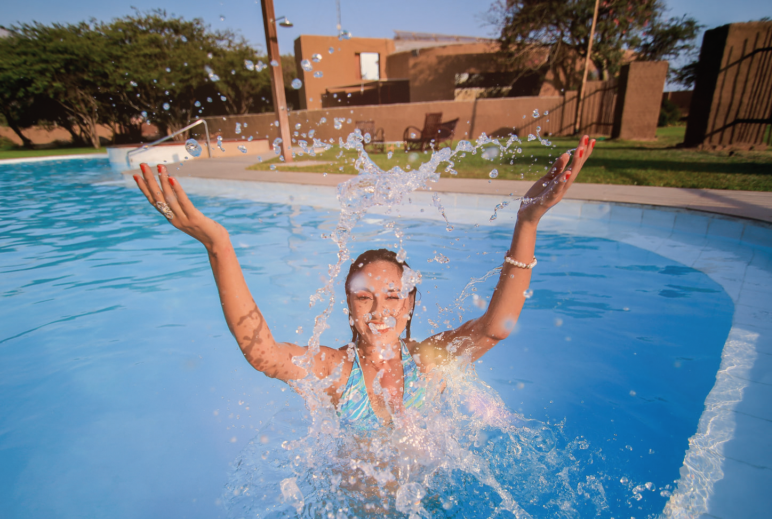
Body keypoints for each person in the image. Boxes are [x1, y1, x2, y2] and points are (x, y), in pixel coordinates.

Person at [133, 135, 596, 429]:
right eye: (364, 297)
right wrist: (219, 246)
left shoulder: (430, 361)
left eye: (392, 296)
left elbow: (497, 327)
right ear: (348, 306)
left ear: (410, 302)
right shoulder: (337, 372)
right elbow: (264, 355)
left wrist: (528, 221)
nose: (380, 310)